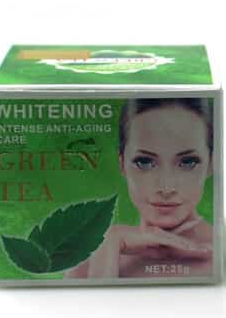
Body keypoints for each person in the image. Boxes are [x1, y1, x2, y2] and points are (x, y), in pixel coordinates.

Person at [66, 98, 213, 278]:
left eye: (188, 162)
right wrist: (109, 242)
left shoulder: (217, 261)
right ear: (122, 164)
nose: (166, 188)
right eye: (145, 162)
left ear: (211, 164)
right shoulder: (90, 260)